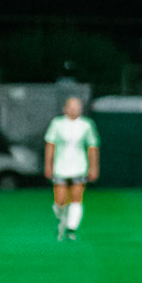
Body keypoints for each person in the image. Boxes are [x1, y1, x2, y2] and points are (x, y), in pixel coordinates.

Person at [42, 95, 100, 241]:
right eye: (71, 106)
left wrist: (93, 167)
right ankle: (62, 218)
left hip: (79, 167)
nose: (75, 109)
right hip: (60, 167)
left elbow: (92, 147)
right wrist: (48, 165)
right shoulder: (57, 123)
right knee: (60, 200)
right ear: (65, 109)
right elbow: (50, 144)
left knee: (76, 198)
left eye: (77, 106)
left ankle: (71, 227)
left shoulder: (87, 124)